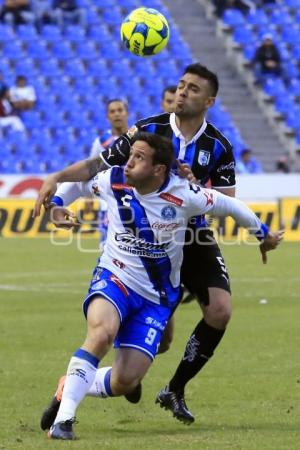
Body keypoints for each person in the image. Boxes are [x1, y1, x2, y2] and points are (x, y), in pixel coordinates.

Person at [33, 63, 255, 424]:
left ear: (209, 100)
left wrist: (193, 186)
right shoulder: (148, 130)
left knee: (219, 312)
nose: (182, 92)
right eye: (180, 86)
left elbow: (226, 201)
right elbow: (97, 168)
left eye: (192, 88)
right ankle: (91, 379)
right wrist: (56, 191)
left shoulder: (219, 146)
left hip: (191, 237)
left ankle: (174, 388)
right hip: (143, 242)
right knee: (151, 341)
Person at [35, 132, 283, 440]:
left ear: (159, 170)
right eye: (131, 155)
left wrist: (262, 233)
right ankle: (65, 421)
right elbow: (80, 184)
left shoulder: (184, 195)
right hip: (115, 276)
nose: (129, 162)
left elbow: (230, 206)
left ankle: (69, 385)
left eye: (139, 158)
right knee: (101, 333)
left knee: (125, 381)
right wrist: (57, 204)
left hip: (157, 296)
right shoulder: (113, 180)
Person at [84, 98, 129, 250]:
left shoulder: (137, 138)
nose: (117, 114)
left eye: (120, 110)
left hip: (133, 202)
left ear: (127, 113)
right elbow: (90, 169)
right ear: (107, 116)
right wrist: (88, 198)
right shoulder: (101, 142)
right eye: (112, 111)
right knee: (106, 248)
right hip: (107, 203)